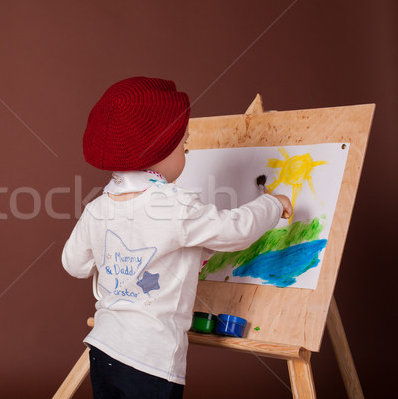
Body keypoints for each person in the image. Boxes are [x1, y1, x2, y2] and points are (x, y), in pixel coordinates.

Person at [62, 77, 293, 398]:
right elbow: (235, 230)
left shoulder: (97, 208)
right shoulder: (174, 205)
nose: (186, 152)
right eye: (183, 145)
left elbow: (74, 264)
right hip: (151, 358)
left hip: (104, 348)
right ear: (158, 151)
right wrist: (272, 203)